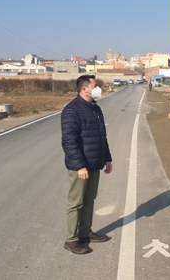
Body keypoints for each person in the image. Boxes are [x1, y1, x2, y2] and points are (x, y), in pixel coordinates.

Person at [61, 75, 113, 255]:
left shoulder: (96, 109)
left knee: (90, 200)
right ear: (84, 88)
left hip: (95, 163)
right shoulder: (72, 111)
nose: (98, 88)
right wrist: (79, 166)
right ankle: (72, 239)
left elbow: (101, 136)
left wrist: (107, 158)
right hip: (81, 167)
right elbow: (69, 142)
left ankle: (85, 233)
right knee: (76, 203)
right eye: (95, 85)